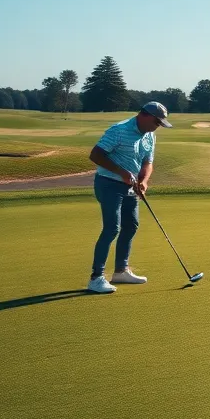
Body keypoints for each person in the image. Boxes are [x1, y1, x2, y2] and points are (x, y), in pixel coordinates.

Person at [86, 101, 172, 293]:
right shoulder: (119, 130)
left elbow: (148, 162)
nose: (157, 127)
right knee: (112, 228)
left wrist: (144, 181)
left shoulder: (150, 135)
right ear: (144, 115)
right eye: (156, 122)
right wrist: (122, 172)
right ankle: (96, 278)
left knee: (131, 225)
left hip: (131, 187)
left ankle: (121, 271)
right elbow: (96, 155)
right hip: (109, 183)